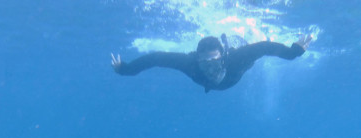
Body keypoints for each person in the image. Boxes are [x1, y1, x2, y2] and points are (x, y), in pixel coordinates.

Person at [111, 33, 312, 93]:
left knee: (243, 43)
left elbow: (264, 47)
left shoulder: (237, 58)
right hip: (221, 76)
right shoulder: (189, 63)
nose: (210, 69)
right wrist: (126, 70)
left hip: (237, 64)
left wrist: (292, 53)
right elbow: (156, 58)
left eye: (214, 62)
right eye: (204, 63)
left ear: (222, 58)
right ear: (197, 59)